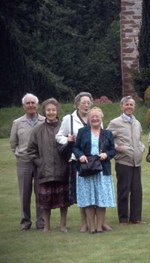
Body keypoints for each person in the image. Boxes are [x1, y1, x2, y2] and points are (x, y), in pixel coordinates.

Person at [56, 92, 112, 232]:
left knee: (100, 196)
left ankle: (100, 224)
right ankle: (86, 224)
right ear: (77, 104)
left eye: (88, 102)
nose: (86, 105)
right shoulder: (69, 119)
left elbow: (107, 145)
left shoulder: (102, 126)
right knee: (85, 195)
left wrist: (106, 154)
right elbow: (63, 138)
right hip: (81, 163)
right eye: (83, 102)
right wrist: (70, 142)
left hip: (100, 166)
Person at [27, 98, 69, 232]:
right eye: (48, 110)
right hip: (45, 172)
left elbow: (71, 147)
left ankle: (63, 225)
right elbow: (31, 150)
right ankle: (46, 226)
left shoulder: (65, 127)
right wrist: (40, 163)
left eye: (53, 110)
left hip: (62, 170)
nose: (51, 112)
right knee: (45, 202)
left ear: (57, 111)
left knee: (63, 201)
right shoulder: (37, 130)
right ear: (44, 111)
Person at [73, 107, 116, 233]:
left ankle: (99, 226)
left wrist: (107, 155)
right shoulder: (82, 132)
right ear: (88, 119)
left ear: (101, 118)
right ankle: (91, 227)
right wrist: (80, 155)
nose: (95, 119)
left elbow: (113, 150)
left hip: (102, 169)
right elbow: (75, 147)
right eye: (92, 117)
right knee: (89, 198)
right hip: (86, 168)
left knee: (101, 199)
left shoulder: (107, 133)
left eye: (97, 116)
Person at [107, 96, 146, 225]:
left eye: (131, 105)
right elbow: (106, 139)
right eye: (126, 104)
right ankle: (123, 219)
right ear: (122, 106)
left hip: (136, 161)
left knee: (137, 191)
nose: (129, 107)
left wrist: (141, 147)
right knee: (124, 191)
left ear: (134, 107)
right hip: (123, 161)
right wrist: (117, 148)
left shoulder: (137, 123)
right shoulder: (115, 122)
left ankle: (136, 218)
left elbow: (139, 139)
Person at [10, 93, 45, 230]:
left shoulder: (43, 121)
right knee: (25, 193)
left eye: (33, 103)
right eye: (28, 103)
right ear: (24, 106)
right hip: (24, 161)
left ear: (37, 105)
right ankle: (25, 222)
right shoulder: (18, 123)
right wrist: (19, 154)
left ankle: (41, 221)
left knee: (40, 192)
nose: (31, 105)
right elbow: (13, 143)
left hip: (40, 161)